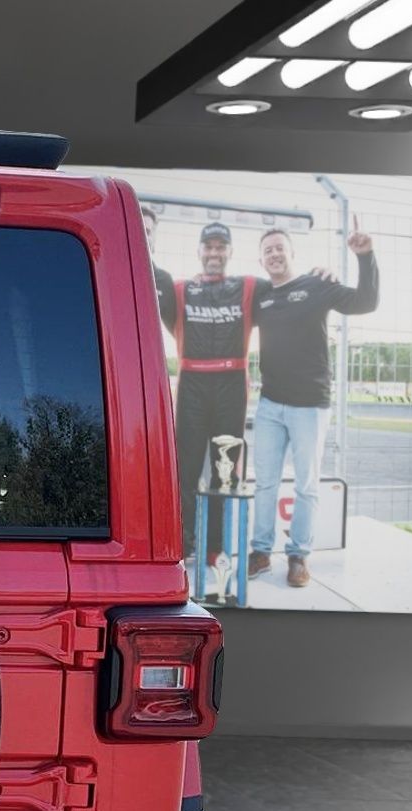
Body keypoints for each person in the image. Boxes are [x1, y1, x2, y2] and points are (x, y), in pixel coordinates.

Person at [248, 218, 380, 587]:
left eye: (279, 247)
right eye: (267, 250)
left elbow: (366, 302)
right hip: (270, 405)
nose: (274, 254)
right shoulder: (259, 295)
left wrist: (365, 256)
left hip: (310, 406)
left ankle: (298, 557)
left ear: (292, 253)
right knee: (265, 484)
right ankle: (260, 551)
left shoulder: (317, 284)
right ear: (261, 261)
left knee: (306, 485)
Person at [155, 222, 257, 565]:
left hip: (232, 385)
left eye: (220, 247)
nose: (214, 253)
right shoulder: (180, 288)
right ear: (199, 251)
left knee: (224, 472)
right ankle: (183, 544)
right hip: (192, 384)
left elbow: (287, 292)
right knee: (184, 470)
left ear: (229, 252)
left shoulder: (247, 287)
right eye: (208, 247)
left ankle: (217, 547)